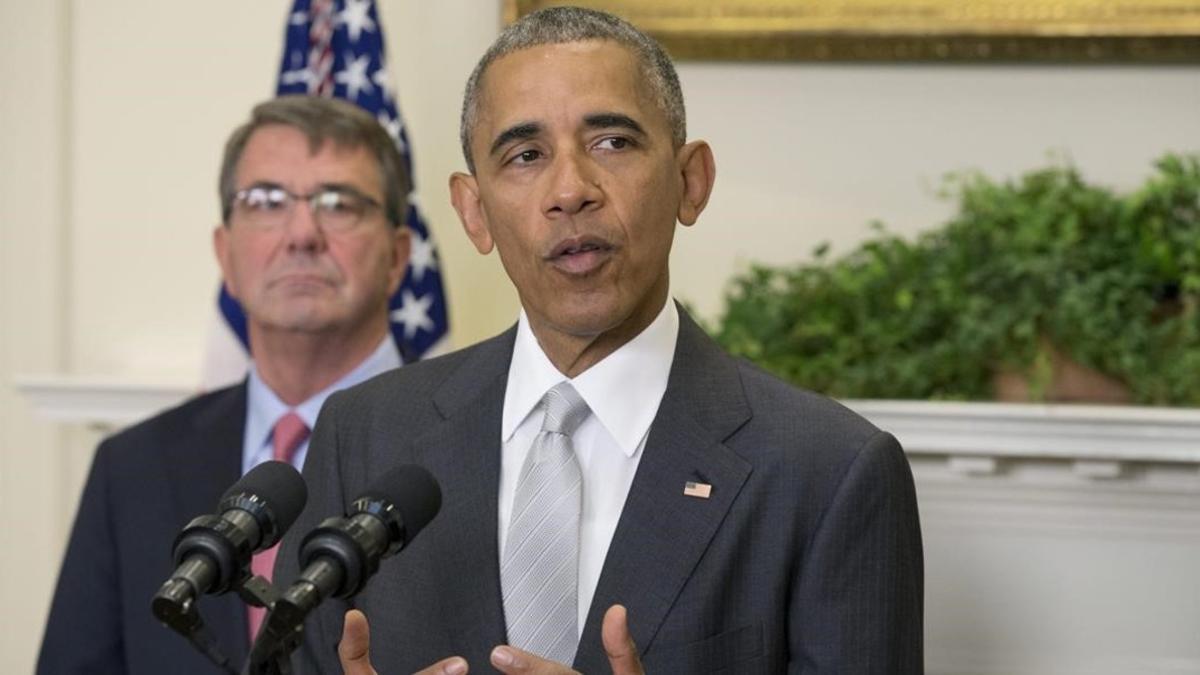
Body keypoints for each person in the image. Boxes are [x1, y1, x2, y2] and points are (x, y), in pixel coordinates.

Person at [278, 6, 923, 674]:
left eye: (612, 142)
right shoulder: (364, 435)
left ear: (690, 182)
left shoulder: (830, 472)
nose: (570, 191)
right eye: (525, 155)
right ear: (475, 212)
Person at [36, 95, 412, 675]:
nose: (303, 234)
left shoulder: (470, 445)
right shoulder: (130, 467)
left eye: (339, 203)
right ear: (225, 254)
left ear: (397, 256)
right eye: (266, 201)